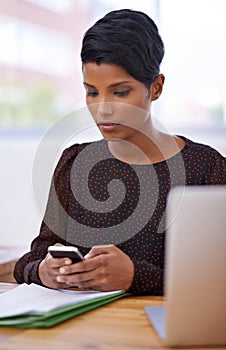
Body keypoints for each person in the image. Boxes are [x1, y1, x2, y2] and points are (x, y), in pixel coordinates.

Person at [14, 9, 225, 295]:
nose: (103, 108)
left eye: (120, 92)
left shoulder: (207, 168)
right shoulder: (74, 163)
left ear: (156, 87)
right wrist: (44, 271)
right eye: (92, 92)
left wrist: (135, 277)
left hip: (162, 333)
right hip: (84, 334)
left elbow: (216, 281)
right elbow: (31, 260)